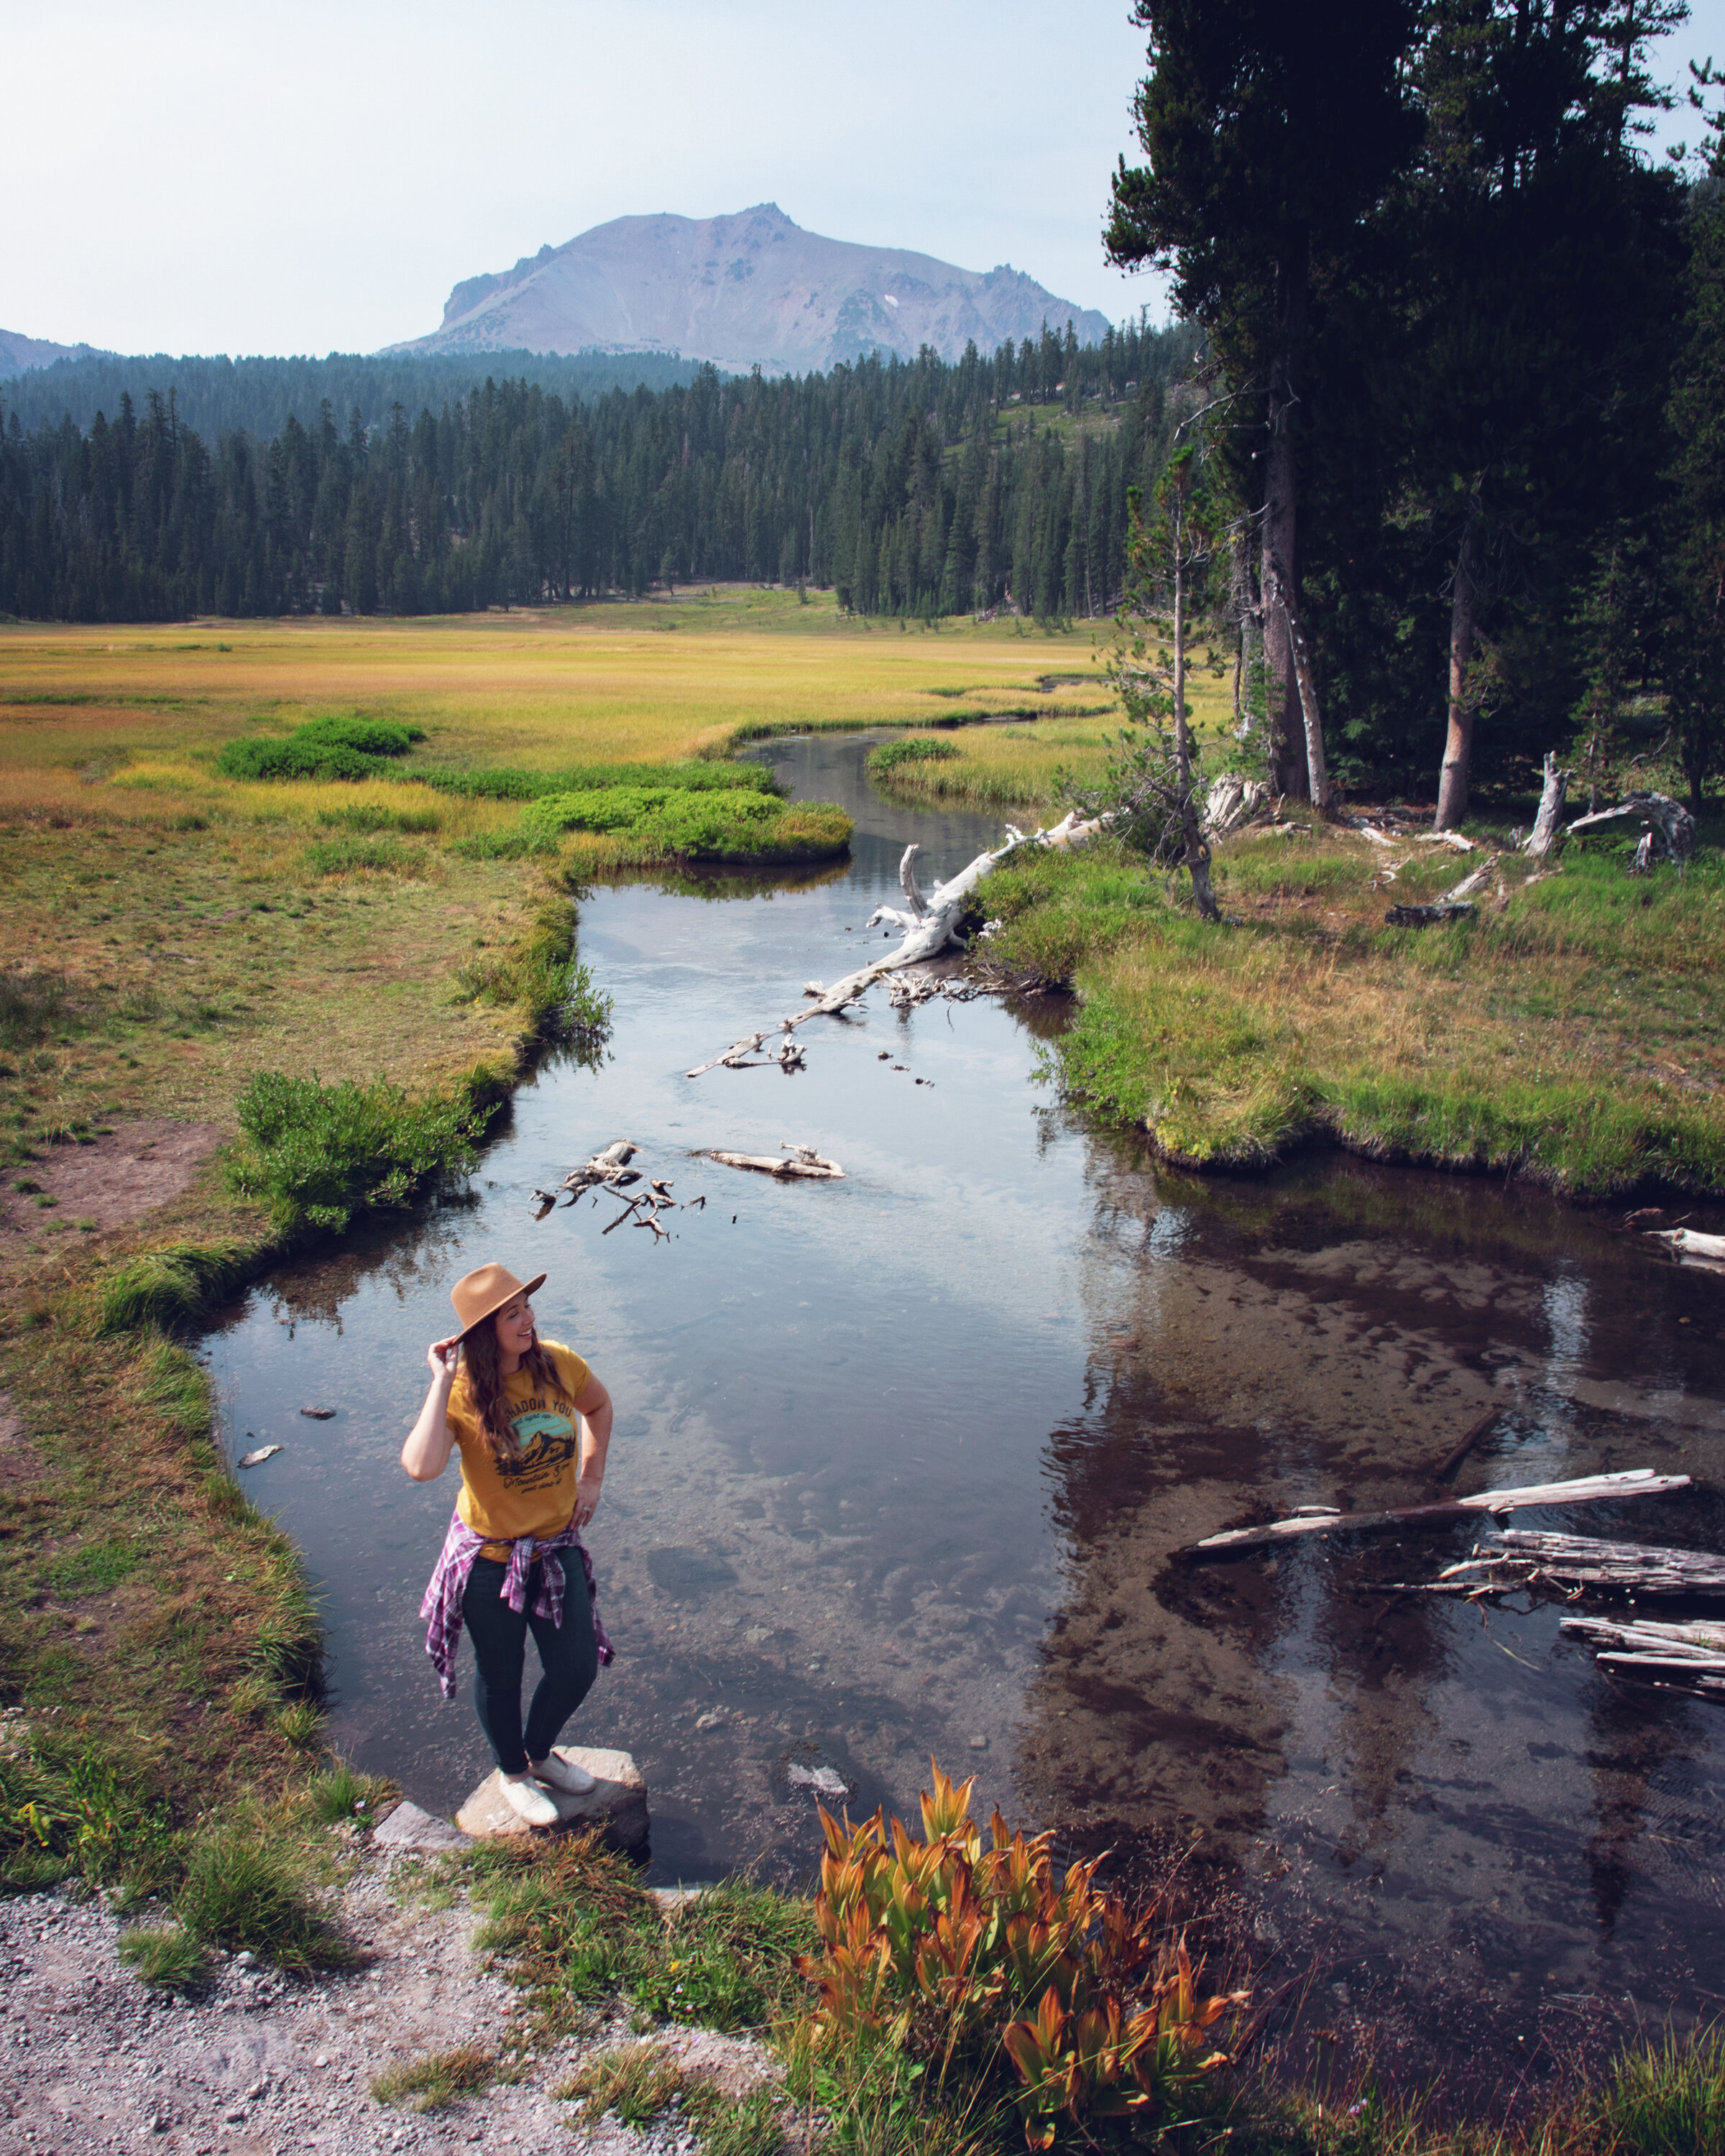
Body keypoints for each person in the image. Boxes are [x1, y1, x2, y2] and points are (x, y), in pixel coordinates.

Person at [404, 1261, 615, 1828]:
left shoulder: (558, 1363)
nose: (529, 1319)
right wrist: (441, 1379)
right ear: (483, 1330)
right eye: (513, 1313)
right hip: (489, 1563)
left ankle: (540, 1753)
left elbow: (598, 1407)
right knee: (501, 1676)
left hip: (555, 1547)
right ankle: (513, 1772)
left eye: (527, 1307)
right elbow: (422, 1467)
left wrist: (591, 1479)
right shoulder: (464, 1392)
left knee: (575, 1669)